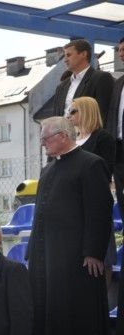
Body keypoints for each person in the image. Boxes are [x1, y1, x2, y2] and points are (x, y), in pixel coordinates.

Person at [29, 117, 113, 335]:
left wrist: (93, 251)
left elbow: (100, 211)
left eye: (45, 139)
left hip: (76, 259)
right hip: (47, 257)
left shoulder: (91, 164)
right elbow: (39, 215)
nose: (42, 144)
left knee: (76, 314)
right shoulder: (48, 169)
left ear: (63, 136)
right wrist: (32, 251)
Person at [68, 96, 117, 287]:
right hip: (73, 207)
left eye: (73, 111)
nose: (69, 115)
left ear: (86, 112)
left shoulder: (102, 138)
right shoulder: (71, 140)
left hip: (95, 204)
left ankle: (102, 299)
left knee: (103, 257)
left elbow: (106, 170)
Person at [53, 39, 113, 125]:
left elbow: (103, 114)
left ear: (83, 54)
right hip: (64, 133)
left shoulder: (101, 78)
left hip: (88, 132)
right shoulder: (61, 87)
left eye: (69, 55)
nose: (65, 60)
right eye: (65, 56)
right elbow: (56, 116)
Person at [104, 36, 124, 217]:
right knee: (122, 195)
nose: (121, 54)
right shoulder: (118, 83)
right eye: (119, 50)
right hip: (119, 149)